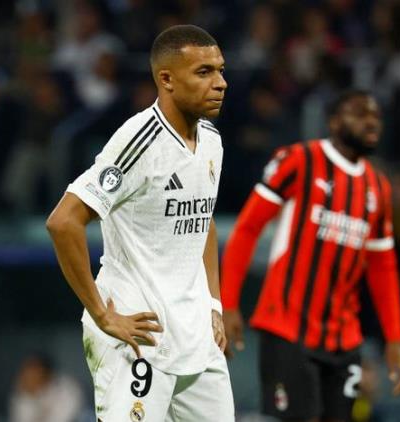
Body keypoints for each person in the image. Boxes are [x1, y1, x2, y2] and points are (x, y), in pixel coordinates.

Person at [46, 25, 233, 421]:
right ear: (166, 79)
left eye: (220, 70)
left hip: (196, 338)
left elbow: (204, 222)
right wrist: (101, 314)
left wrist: (214, 304)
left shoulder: (212, 139)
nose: (220, 83)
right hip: (138, 337)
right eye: (204, 72)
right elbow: (64, 222)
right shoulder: (139, 141)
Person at [221, 90, 400, 422]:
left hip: (344, 339)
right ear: (334, 122)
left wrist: (395, 340)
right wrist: (228, 302)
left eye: (376, 117)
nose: (370, 122)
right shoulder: (298, 160)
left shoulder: (378, 188)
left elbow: (382, 266)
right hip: (288, 329)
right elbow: (247, 228)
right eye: (359, 114)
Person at [9, 353, 84, 422]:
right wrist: (31, 397)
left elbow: (64, 418)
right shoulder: (22, 393)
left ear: (44, 371)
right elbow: (20, 418)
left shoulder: (68, 388)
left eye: (34, 370)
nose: (29, 376)